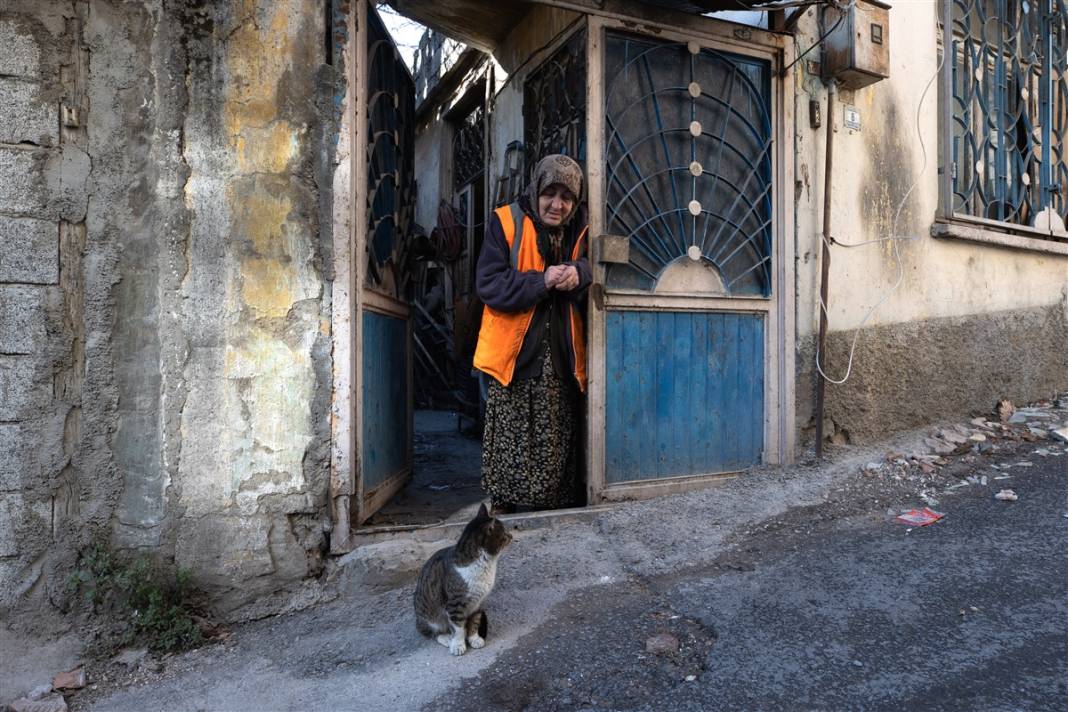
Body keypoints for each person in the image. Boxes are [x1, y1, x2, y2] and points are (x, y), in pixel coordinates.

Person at [473, 154, 591, 513]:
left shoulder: (581, 228)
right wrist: (541, 281)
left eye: (567, 197)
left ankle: (554, 506)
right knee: (513, 432)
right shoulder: (505, 221)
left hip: (560, 353)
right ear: (536, 189)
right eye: (550, 194)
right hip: (514, 353)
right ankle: (508, 504)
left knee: (555, 432)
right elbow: (489, 284)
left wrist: (579, 274)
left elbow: (596, 269)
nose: (557, 205)